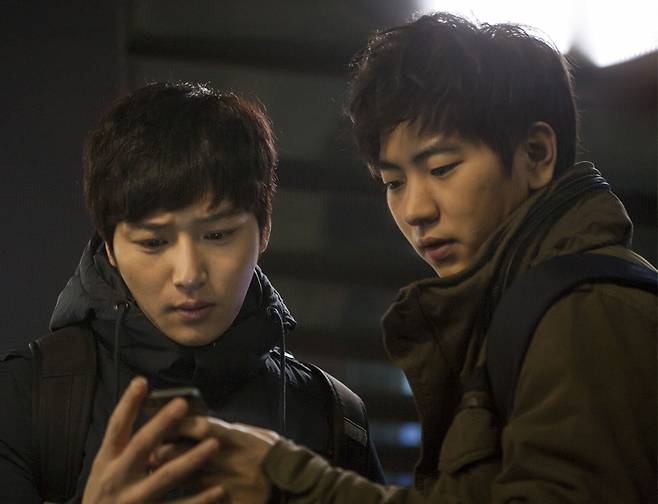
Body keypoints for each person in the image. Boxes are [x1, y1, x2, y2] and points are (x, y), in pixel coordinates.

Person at [131, 12, 657, 504]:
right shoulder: (523, 309)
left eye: (442, 168)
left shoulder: (588, 311)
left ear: (536, 155)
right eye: (394, 182)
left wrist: (296, 484)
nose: (414, 209)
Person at [0, 82, 384, 503]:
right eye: (153, 242)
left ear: (264, 230)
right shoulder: (24, 400)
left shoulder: (333, 416)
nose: (188, 275)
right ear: (108, 247)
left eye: (217, 234)